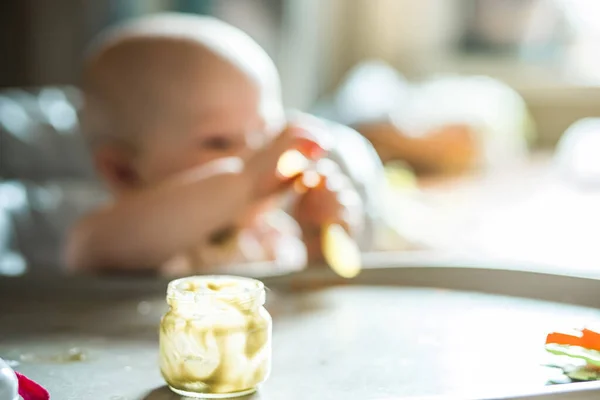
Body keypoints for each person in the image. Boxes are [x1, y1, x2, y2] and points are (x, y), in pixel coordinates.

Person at [66, 13, 386, 275]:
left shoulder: (271, 232)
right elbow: (92, 249)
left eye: (265, 135)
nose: (257, 155)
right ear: (122, 170)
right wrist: (246, 180)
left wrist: (317, 242)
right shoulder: (113, 238)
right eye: (219, 143)